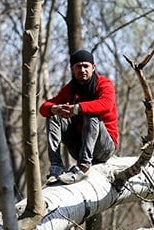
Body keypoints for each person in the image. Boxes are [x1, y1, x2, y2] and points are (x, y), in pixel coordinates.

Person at [39, 49, 118, 184]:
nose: (82, 70)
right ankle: (56, 166)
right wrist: (54, 108)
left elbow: (107, 104)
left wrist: (77, 108)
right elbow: (43, 108)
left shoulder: (104, 84)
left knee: (91, 115)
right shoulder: (69, 89)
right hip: (80, 147)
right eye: (78, 66)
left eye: (86, 66)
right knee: (53, 116)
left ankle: (83, 167)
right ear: (72, 69)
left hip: (104, 148)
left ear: (93, 68)